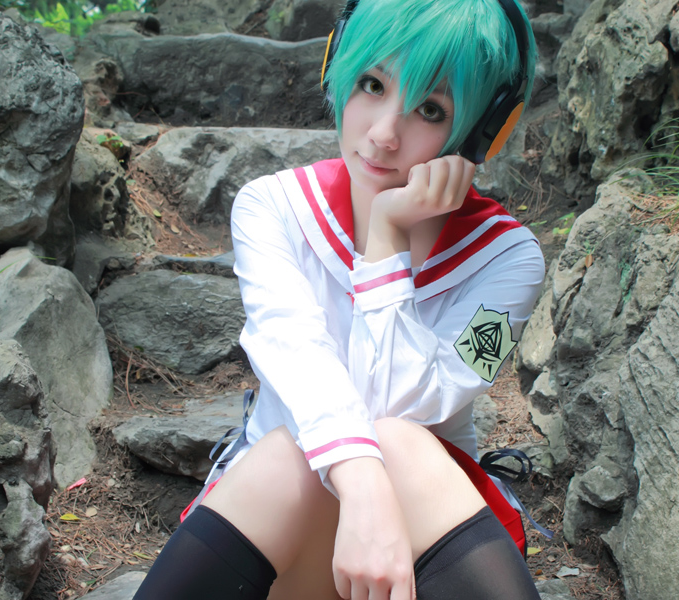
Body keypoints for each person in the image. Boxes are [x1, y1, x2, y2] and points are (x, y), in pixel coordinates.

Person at [133, 0, 545, 597]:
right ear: (338, 67)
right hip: (291, 525)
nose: (382, 134)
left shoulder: (510, 259)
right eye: (372, 84)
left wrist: (386, 238)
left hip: (424, 539)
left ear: (486, 131)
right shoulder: (272, 208)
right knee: (290, 456)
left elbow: (405, 407)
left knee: (400, 441)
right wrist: (361, 482)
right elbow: (298, 354)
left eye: (430, 109)